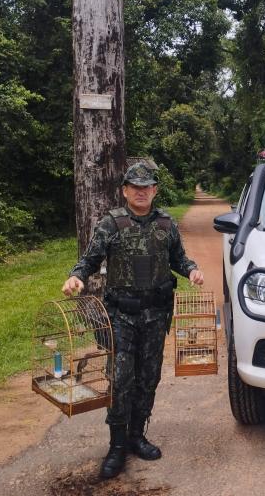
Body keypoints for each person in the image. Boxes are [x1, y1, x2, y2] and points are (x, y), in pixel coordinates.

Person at [61, 161, 204, 479]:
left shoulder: (166, 224)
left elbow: (179, 258)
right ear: (125, 191)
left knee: (148, 378)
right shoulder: (111, 223)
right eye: (135, 187)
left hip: (156, 316)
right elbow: (90, 259)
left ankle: (137, 435)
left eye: (147, 187)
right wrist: (76, 277)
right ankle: (116, 445)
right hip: (122, 316)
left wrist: (192, 269)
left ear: (154, 190)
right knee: (121, 379)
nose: (141, 192)